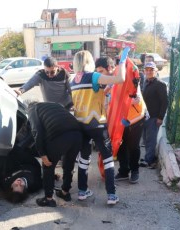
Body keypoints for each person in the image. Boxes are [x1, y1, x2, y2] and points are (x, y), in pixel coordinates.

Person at [70, 49, 128, 205]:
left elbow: (91, 94)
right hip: (97, 124)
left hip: (81, 125)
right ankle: (111, 195)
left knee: (84, 158)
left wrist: (104, 90)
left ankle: (82, 191)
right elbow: (120, 78)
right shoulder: (93, 76)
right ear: (89, 62)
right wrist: (122, 62)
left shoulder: (73, 80)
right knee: (108, 158)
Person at [95, 58, 147, 184]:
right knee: (120, 144)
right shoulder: (109, 81)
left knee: (133, 146)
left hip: (135, 117)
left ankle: (135, 171)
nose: (100, 74)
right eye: (98, 72)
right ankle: (124, 171)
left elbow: (136, 99)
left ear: (109, 68)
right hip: (119, 119)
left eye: (102, 71)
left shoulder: (126, 75)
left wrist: (124, 100)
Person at [27, 101, 82, 207]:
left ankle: (48, 199)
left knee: (48, 165)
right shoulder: (55, 105)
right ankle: (65, 193)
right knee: (68, 164)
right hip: (77, 134)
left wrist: (42, 154)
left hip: (59, 136)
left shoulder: (32, 109)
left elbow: (36, 131)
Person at [139, 62, 168, 169]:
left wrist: (160, 117)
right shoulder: (145, 82)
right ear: (144, 71)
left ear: (156, 71)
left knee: (151, 139)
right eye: (147, 70)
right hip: (144, 116)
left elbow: (164, 102)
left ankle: (149, 160)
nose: (149, 72)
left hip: (154, 117)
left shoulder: (160, 84)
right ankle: (148, 157)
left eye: (151, 70)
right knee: (145, 139)